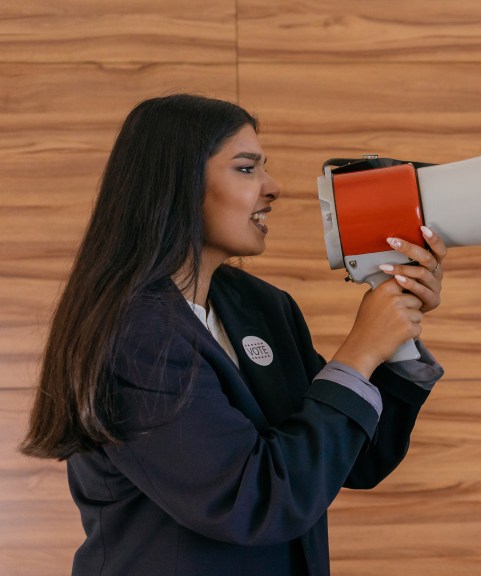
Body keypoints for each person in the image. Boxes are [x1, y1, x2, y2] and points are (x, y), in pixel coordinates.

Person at [19, 94, 448, 575]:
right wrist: (359, 353)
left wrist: (393, 344)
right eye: (246, 169)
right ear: (178, 185)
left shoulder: (262, 306)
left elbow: (355, 460)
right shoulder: (132, 335)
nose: (273, 187)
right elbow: (253, 501)